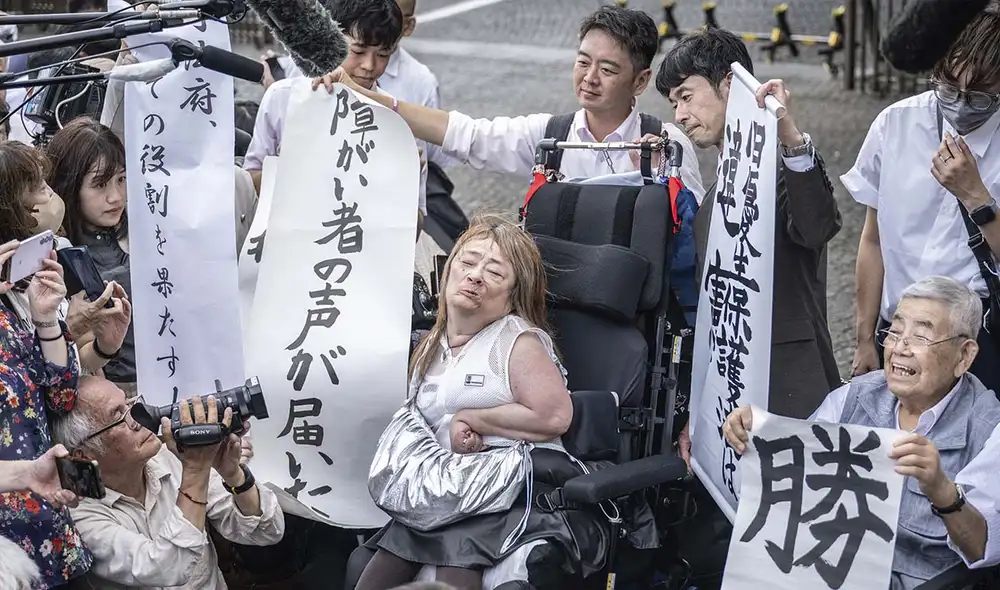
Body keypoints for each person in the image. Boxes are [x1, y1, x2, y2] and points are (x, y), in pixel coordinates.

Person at [353, 215, 649, 590]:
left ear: (512, 297)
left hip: (505, 492)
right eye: (467, 262)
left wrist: (473, 418)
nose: (475, 276)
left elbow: (555, 415)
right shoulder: (431, 342)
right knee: (367, 577)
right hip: (440, 491)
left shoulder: (518, 341)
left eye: (494, 273)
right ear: (447, 272)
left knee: (455, 567)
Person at [723, 276, 1000, 589]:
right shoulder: (856, 395)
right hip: (828, 571)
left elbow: (981, 547)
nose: (899, 349)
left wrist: (943, 491)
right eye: (894, 332)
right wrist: (753, 433)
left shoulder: (990, 429)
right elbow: (799, 465)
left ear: (964, 356)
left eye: (920, 337)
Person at [654, 27, 842, 431]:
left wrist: (790, 135)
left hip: (792, 380)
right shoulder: (709, 201)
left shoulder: (780, 167)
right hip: (730, 388)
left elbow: (817, 226)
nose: (680, 116)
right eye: (674, 104)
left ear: (730, 84)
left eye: (686, 96)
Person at [317, 5, 703, 200]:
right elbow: (467, 135)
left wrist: (661, 179)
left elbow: (695, 230)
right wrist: (375, 100)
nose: (589, 78)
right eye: (583, 62)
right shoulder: (549, 136)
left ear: (640, 81)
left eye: (607, 69)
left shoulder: (664, 144)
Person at [844, 4, 1000, 393]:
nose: (960, 106)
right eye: (948, 89)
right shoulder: (895, 124)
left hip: (978, 340)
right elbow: (873, 240)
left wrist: (976, 198)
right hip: (896, 331)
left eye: (979, 98)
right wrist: (866, 340)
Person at [51, 377, 286, 589]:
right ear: (83, 455)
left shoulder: (167, 456)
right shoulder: (80, 516)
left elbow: (267, 531)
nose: (138, 419)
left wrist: (233, 474)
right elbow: (166, 566)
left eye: (131, 404)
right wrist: (196, 470)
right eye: (119, 417)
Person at [245, 0, 429, 235]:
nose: (369, 66)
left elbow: (415, 227)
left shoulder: (399, 121)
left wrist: (403, 180)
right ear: (329, 39)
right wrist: (294, 170)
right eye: (358, 51)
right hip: (286, 243)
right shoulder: (283, 98)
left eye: (383, 54)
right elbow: (250, 183)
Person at [0, 141, 93, 589]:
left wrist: (44, 318)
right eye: (33, 187)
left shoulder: (17, 297)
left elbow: (61, 395)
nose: (47, 195)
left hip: (46, 517)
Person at [44, 118, 137, 390]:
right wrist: (104, 347)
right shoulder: (61, 255)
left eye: (121, 179)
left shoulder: (148, 225)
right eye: (100, 184)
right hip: (119, 393)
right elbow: (79, 361)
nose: (116, 197)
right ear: (69, 186)